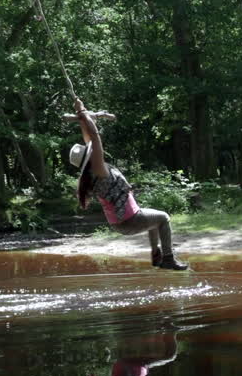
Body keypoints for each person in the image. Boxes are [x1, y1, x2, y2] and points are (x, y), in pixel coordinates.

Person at [69, 99, 188, 270]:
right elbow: (94, 137)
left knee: (154, 219)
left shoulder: (92, 173)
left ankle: (157, 257)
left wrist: (82, 115)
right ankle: (168, 259)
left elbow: (89, 139)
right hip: (130, 219)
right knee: (164, 218)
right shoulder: (99, 169)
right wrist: (83, 113)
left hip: (120, 221)